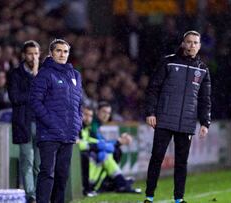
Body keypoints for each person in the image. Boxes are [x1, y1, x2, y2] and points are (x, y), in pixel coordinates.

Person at [143, 30, 211, 203]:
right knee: (156, 158)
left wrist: (205, 122)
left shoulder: (202, 69)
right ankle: (149, 197)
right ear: (183, 43)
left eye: (195, 43)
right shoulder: (168, 62)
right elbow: (153, 88)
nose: (192, 46)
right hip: (164, 119)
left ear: (200, 46)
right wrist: (150, 112)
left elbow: (205, 99)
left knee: (181, 163)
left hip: (187, 122)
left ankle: (179, 199)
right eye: (189, 42)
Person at [30, 39, 83, 203]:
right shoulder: (45, 74)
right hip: (49, 134)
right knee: (47, 173)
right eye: (59, 51)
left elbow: (79, 102)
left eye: (65, 51)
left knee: (62, 175)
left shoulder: (75, 75)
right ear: (51, 53)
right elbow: (34, 101)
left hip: (68, 134)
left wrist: (77, 123)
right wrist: (51, 122)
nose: (62, 54)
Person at [78, 106, 140, 197]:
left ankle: (117, 183)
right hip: (79, 157)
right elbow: (82, 143)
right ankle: (107, 184)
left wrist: (115, 142)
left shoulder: (90, 126)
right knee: (107, 153)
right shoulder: (92, 125)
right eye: (104, 112)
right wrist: (116, 142)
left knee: (108, 152)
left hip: (86, 153)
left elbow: (99, 141)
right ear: (97, 112)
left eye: (108, 113)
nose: (106, 115)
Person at [7, 40, 41, 203]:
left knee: (40, 164)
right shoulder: (15, 74)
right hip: (24, 124)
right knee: (27, 160)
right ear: (23, 55)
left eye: (36, 54)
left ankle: (40, 194)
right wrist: (34, 78)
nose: (33, 57)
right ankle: (31, 195)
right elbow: (15, 97)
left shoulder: (45, 74)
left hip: (42, 124)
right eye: (30, 53)